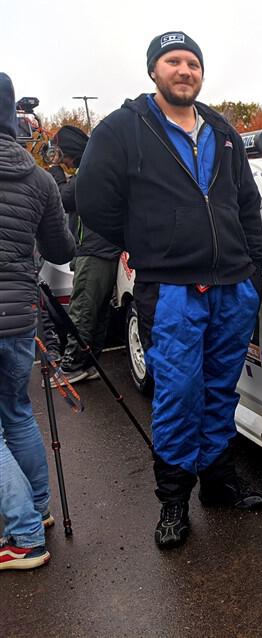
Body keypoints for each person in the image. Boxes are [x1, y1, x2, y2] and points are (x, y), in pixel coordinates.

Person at [75, 31, 262, 549]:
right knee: (177, 395)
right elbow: (93, 201)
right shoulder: (122, 129)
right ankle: (173, 503)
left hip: (231, 285)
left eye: (192, 63)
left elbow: (246, 203)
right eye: (173, 61)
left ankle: (219, 482)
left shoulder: (222, 130)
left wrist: (249, 265)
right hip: (171, 290)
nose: (184, 70)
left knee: (218, 390)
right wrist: (146, 242)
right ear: (153, 70)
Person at [0, 72, 75, 570]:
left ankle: (23, 537)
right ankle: (38, 511)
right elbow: (63, 250)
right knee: (16, 411)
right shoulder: (39, 176)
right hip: (19, 317)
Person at [48, 125, 122, 384]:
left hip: (95, 250)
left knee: (83, 309)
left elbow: (60, 198)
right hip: (102, 249)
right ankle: (87, 363)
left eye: (59, 153)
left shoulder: (90, 172)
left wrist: (55, 170)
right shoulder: (94, 168)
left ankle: (71, 367)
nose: (58, 158)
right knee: (97, 311)